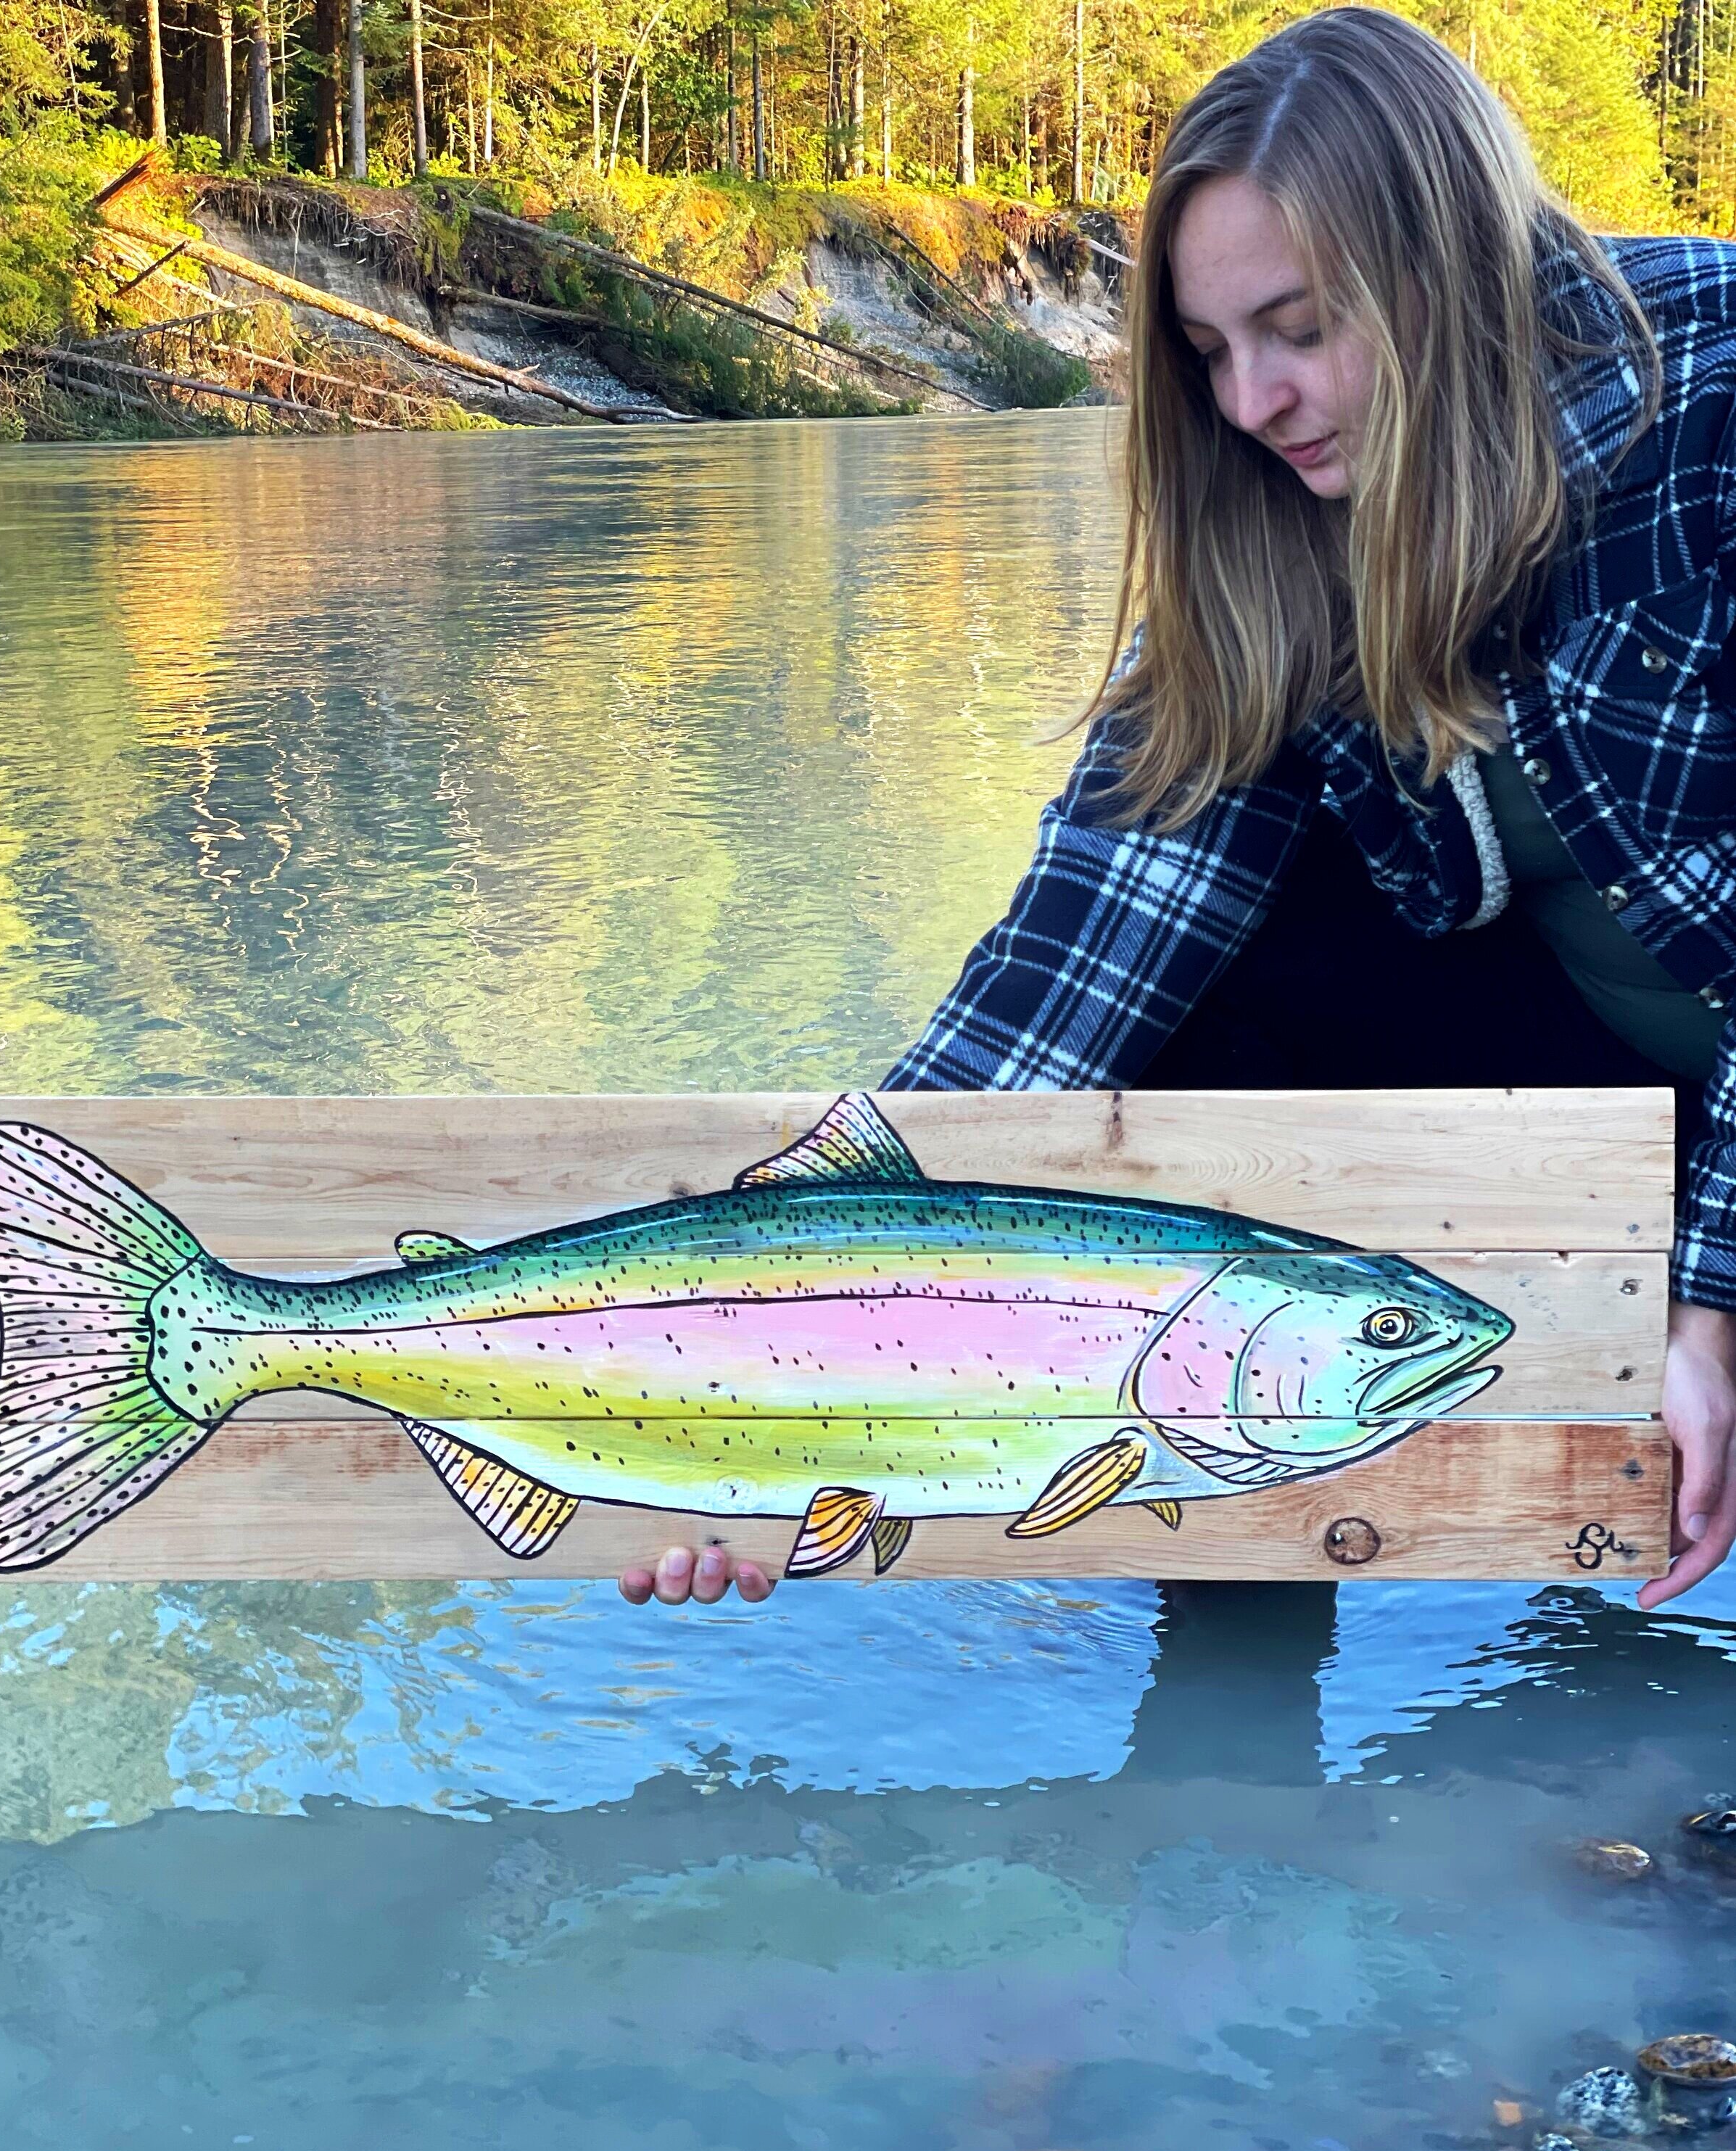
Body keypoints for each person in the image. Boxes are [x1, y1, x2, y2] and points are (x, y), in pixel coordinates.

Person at [622, 5, 1736, 1615]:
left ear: (1452, 271)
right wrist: (794, 1324)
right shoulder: (1280, 510)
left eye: (1299, 327)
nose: (1253, 403)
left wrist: (1709, 1311)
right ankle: (1234, 1630)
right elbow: (1082, 952)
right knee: (1205, 986)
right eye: (1210, 352)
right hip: (1600, 1078)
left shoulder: (1713, 405)